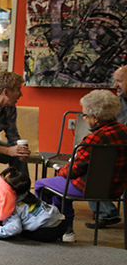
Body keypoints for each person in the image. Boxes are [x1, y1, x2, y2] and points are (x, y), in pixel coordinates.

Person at [34, 89, 127, 243]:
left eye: (85, 115)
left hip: (88, 187)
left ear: (96, 118)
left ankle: (57, 226)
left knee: (42, 184)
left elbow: (74, 170)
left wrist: (60, 170)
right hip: (116, 189)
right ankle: (65, 229)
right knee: (59, 188)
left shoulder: (93, 140)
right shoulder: (124, 131)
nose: (84, 118)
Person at [0, 168, 65, 242]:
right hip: (61, 221)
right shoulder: (29, 196)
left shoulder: (11, 205)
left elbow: (15, 228)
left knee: (21, 232)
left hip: (47, 231)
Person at [85, 65, 127, 229]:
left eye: (119, 81)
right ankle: (106, 214)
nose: (115, 85)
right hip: (115, 150)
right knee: (93, 163)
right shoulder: (117, 101)